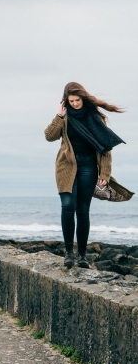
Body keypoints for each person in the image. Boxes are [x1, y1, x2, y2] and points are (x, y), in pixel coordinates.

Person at [45, 82, 125, 268]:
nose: (74, 104)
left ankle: (82, 256)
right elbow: (49, 136)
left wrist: (105, 172)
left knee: (82, 210)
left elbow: (105, 148)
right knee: (67, 206)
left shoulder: (95, 117)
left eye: (77, 100)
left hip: (89, 166)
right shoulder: (64, 117)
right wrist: (59, 115)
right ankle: (68, 254)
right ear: (65, 102)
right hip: (66, 167)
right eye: (70, 101)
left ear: (83, 98)